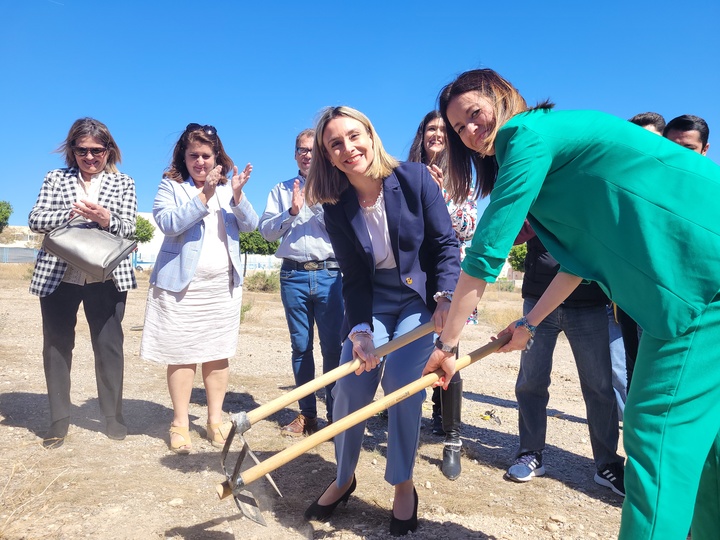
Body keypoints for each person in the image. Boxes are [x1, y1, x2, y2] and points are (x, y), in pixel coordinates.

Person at [424, 68, 720, 540]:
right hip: (703, 279)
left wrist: (449, 343)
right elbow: (579, 263)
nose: (470, 132)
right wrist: (528, 322)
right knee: (704, 449)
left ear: (503, 97)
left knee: (653, 432)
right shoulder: (553, 147)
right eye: (459, 127)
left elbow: (486, 251)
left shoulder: (527, 134)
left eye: (474, 114)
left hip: (699, 282)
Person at [303, 106, 460, 536]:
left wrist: (446, 298)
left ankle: (403, 482)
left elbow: (446, 245)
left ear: (371, 136)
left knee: (401, 386)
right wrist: (360, 332)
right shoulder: (335, 206)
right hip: (371, 297)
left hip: (418, 298)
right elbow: (353, 275)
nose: (348, 148)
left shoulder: (415, 178)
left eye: (355, 136)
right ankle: (343, 477)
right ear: (328, 155)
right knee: (350, 384)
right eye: (336, 143)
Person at [139, 123, 258, 454]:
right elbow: (169, 223)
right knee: (181, 355)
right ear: (184, 156)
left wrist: (235, 194)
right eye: (194, 155)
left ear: (216, 156)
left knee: (217, 355)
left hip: (222, 287)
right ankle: (179, 423)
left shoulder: (228, 188)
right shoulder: (170, 187)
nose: (201, 162)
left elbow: (250, 225)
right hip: (181, 288)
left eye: (207, 155)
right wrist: (203, 194)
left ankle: (215, 420)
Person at [28, 117, 137, 449]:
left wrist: (106, 219)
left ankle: (112, 416)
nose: (90, 157)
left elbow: (130, 228)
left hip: (106, 276)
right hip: (59, 275)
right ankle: (59, 419)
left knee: (109, 348)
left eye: (97, 150)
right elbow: (35, 219)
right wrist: (71, 214)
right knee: (57, 345)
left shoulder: (124, 183)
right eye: (82, 150)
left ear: (109, 150)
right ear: (72, 150)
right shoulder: (55, 178)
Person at [504, 228, 624, 496]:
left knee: (599, 386)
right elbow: (513, 234)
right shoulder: (537, 189)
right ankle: (530, 453)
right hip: (538, 297)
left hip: (590, 300)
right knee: (531, 380)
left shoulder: (591, 190)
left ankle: (608, 463)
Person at [259, 129, 344, 437]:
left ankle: (336, 416)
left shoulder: (337, 187)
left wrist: (316, 202)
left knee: (333, 348)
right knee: (300, 347)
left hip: (330, 275)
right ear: (295, 155)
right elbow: (267, 232)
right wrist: (292, 211)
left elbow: (344, 230)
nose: (307, 155)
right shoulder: (280, 190)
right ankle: (307, 415)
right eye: (301, 150)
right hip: (293, 274)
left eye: (312, 149)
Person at [407, 110, 477, 480]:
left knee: (448, 351)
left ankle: (452, 438)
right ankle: (408, 420)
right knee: (414, 349)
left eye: (442, 130)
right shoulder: (406, 174)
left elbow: (467, 227)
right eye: (431, 129)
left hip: (452, 279)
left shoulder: (461, 178)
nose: (437, 134)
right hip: (413, 277)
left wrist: (440, 198)